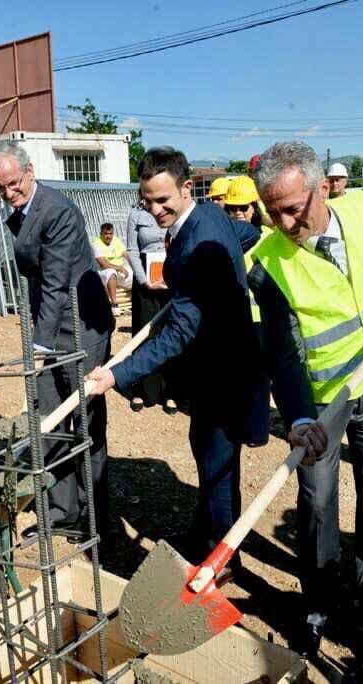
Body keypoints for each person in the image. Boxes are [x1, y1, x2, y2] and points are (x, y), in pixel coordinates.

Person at [247, 141, 363, 660]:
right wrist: (300, 416)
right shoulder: (267, 265)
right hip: (323, 403)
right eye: (272, 211)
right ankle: (317, 604)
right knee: (317, 504)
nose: (283, 222)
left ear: (322, 189)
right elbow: (282, 352)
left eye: (293, 208)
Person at [87, 146, 264, 575]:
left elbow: (180, 332)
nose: (156, 209)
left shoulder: (197, 241)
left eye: (164, 200)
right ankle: (206, 532)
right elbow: (247, 235)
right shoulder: (209, 217)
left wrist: (116, 374)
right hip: (213, 368)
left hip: (224, 370)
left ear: (187, 187)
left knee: (218, 465)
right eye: (147, 201)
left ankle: (222, 557)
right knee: (205, 450)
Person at [0, 141, 114, 542]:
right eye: (0, 188)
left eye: (14, 183)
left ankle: (95, 518)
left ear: (30, 172)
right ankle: (61, 513)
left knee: (85, 420)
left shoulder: (56, 211)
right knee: (49, 421)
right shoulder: (23, 211)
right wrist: (41, 342)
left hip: (82, 327)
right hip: (50, 325)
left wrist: (37, 347)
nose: (9, 194)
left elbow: (57, 282)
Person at [125, 205, 180, 414]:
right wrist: (144, 280)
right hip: (146, 281)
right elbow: (132, 249)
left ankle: (170, 392)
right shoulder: (136, 214)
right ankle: (142, 389)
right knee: (145, 334)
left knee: (171, 332)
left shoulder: (174, 209)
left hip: (171, 278)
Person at [92, 222, 133, 315]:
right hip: (103, 273)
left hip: (120, 271)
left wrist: (135, 267)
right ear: (101, 234)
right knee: (111, 272)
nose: (108, 236)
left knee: (136, 275)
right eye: (105, 234)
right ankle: (114, 304)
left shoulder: (116, 240)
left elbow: (126, 255)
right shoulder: (96, 243)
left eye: (110, 234)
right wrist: (120, 268)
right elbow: (103, 264)